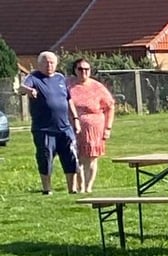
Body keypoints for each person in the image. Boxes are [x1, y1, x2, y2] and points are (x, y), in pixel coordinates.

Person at [15, 51, 78, 196]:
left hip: (64, 127)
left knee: (71, 156)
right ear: (39, 64)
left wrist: (75, 118)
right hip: (44, 129)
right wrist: (29, 90)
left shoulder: (60, 78)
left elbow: (68, 99)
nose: (49, 65)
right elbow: (20, 89)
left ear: (56, 64)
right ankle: (47, 189)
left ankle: (72, 189)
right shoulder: (33, 77)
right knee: (45, 157)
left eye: (52, 62)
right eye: (46, 62)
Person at [66, 59, 116, 195]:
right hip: (72, 127)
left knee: (91, 158)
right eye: (80, 69)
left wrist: (108, 128)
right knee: (76, 157)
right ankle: (79, 186)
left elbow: (110, 106)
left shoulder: (97, 87)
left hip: (94, 128)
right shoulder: (68, 85)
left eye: (86, 69)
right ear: (75, 70)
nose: (84, 72)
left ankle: (88, 187)